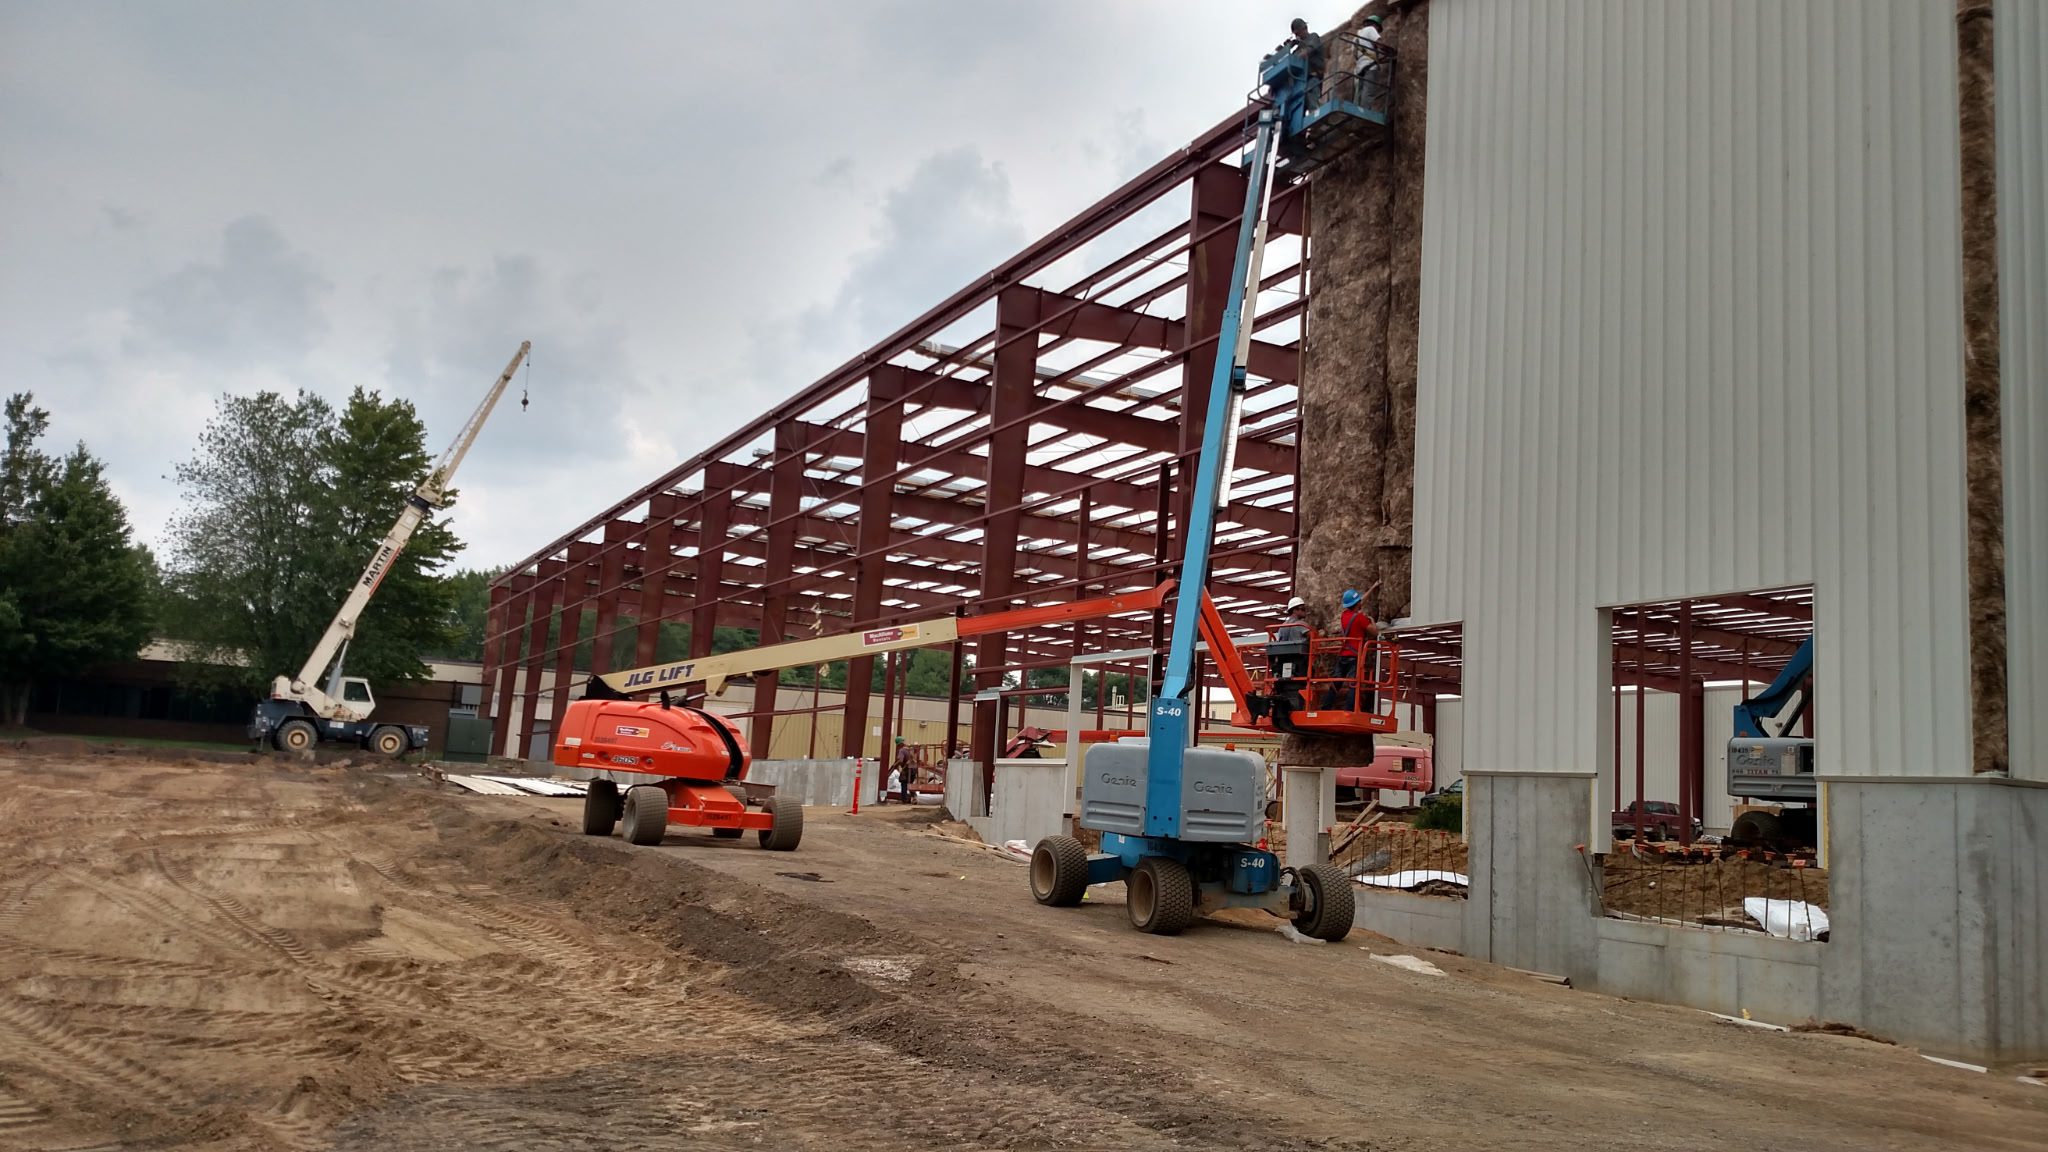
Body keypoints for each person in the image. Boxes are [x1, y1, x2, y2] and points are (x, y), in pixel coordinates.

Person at [1329, 587, 1381, 709]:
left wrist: (1373, 587)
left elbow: (1359, 601)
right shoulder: (1360, 618)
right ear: (1357, 603)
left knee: (1336, 683)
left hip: (1343, 655)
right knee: (1354, 684)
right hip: (1354, 656)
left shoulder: (1344, 616)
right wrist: (1372, 621)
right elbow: (1375, 632)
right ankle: (1349, 710)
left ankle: (1326, 707)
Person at [1289, 18, 1325, 107]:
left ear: (1305, 28)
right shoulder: (1298, 47)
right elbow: (1292, 59)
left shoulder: (1313, 37)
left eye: (1299, 33)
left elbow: (1309, 49)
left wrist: (1302, 50)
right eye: (1296, 34)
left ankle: (1316, 115)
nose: (1298, 36)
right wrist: (1288, 48)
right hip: (1301, 80)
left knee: (1311, 95)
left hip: (1313, 75)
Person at [893, 737, 918, 803]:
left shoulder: (902, 750)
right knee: (910, 784)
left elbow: (901, 760)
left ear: (899, 744)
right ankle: (914, 797)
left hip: (907, 769)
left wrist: (895, 765)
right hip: (914, 769)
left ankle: (904, 800)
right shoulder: (909, 749)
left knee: (903, 783)